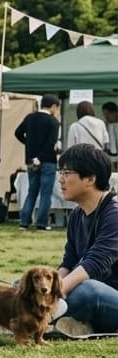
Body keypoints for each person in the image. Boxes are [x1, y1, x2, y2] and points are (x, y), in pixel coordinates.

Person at [52, 144, 118, 336]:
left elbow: (94, 264)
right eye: (60, 172)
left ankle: (47, 318)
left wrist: (55, 292)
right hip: (87, 287)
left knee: (87, 292)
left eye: (66, 173)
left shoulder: (113, 213)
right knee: (24, 284)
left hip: (107, 294)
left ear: (90, 178)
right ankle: (73, 322)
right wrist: (48, 287)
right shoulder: (76, 214)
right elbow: (69, 262)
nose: (60, 180)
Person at [16, 94, 62, 231]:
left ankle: (24, 222)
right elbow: (51, 143)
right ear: (54, 106)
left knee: (32, 192)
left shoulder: (30, 118)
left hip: (30, 160)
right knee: (45, 193)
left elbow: (17, 133)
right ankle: (41, 223)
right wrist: (40, 157)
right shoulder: (53, 122)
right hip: (47, 161)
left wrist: (28, 145)